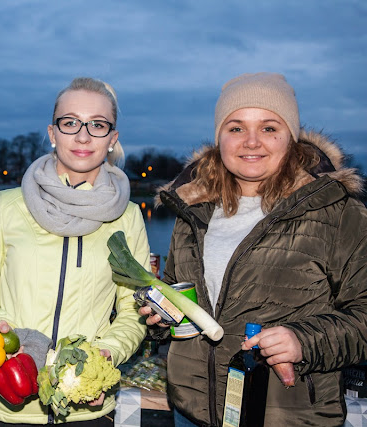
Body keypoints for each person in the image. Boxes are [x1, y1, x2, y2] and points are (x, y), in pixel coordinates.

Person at [140, 72, 367, 426]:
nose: (251, 142)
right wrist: (160, 318)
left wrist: (303, 341)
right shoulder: (194, 209)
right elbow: (176, 294)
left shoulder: (338, 211)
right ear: (219, 137)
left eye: (269, 128)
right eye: (236, 128)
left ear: (290, 137)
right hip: (192, 411)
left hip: (285, 415)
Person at [0, 77, 150, 425]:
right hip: (10, 404)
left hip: (86, 408)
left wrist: (105, 356)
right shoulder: (7, 206)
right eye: (70, 123)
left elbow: (133, 308)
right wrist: (1, 335)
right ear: (52, 133)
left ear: (112, 139)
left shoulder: (128, 218)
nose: (83, 135)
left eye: (97, 125)